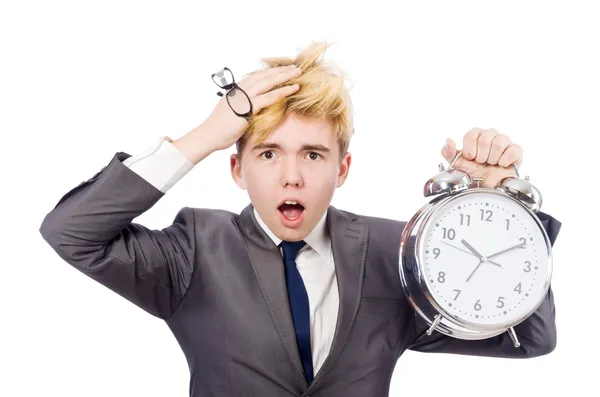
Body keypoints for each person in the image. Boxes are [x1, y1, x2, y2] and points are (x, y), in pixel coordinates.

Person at [39, 41, 562, 397]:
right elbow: (72, 233)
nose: (292, 176)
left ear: (343, 168)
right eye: (268, 154)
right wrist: (206, 134)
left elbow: (530, 338)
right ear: (237, 169)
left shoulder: (394, 249)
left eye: (313, 154)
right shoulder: (195, 247)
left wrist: (495, 206)